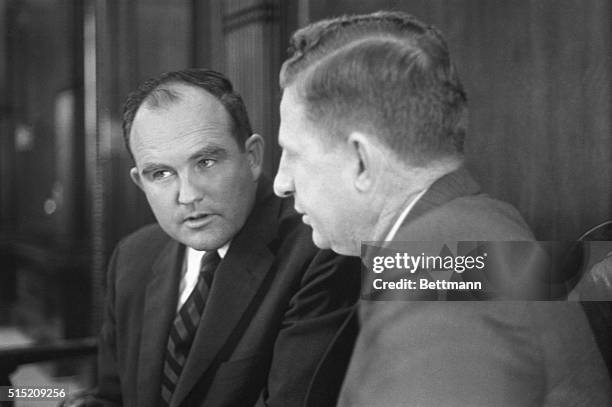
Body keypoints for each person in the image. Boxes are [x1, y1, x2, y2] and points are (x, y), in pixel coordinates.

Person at [273, 11, 612, 406]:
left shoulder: (432, 279)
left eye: (293, 153)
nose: (281, 182)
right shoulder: (468, 232)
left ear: (361, 161)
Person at [67, 69, 360, 407]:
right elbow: (112, 397)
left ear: (251, 157)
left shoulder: (320, 249)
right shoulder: (132, 256)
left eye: (205, 162)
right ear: (139, 182)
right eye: (161, 174)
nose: (188, 195)